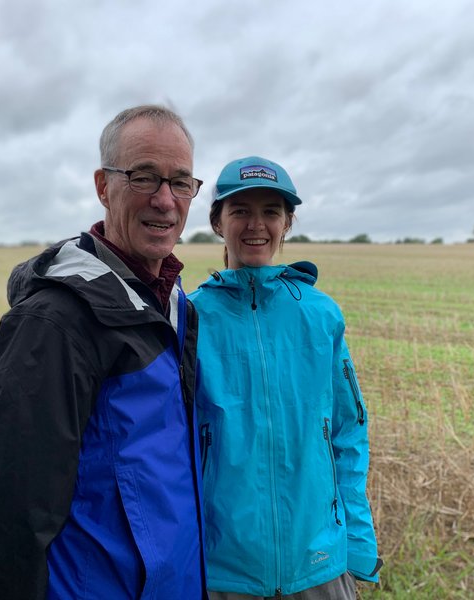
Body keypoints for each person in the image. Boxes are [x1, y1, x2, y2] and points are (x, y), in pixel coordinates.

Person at [0, 105, 207, 599]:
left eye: (181, 182)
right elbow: (6, 517)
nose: (165, 201)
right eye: (144, 177)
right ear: (103, 185)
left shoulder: (177, 306)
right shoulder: (54, 323)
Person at [189, 156, 382, 599]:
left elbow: (348, 435)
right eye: (240, 210)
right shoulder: (191, 316)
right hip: (221, 568)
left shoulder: (320, 314)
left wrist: (355, 543)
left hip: (319, 563)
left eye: (271, 211)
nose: (256, 224)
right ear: (218, 221)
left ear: (288, 222)